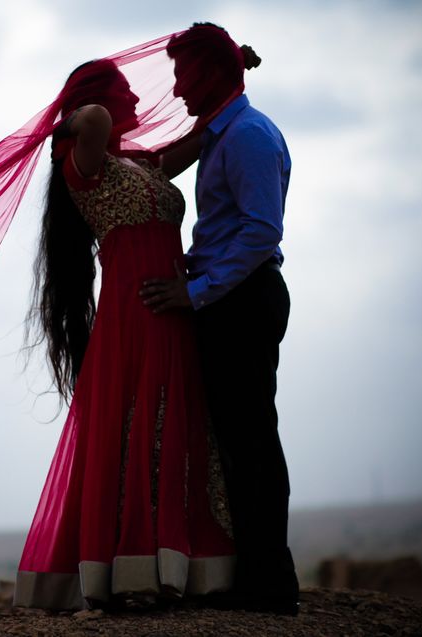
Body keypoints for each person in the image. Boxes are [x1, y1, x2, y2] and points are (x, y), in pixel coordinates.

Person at [12, 59, 236, 611]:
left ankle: (182, 571)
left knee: (174, 428)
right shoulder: (82, 162)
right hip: (133, 318)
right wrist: (76, 111)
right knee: (139, 428)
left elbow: (202, 137)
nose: (138, 102)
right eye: (125, 92)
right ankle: (132, 575)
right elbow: (88, 121)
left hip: (176, 313)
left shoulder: (140, 163)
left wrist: (230, 78)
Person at [139, 22, 299, 615]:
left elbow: (261, 231)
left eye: (183, 72)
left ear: (208, 72)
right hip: (226, 301)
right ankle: (253, 576)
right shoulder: (220, 132)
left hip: (242, 302)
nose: (176, 89)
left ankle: (271, 585)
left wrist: (196, 290)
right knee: (235, 440)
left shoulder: (250, 135)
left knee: (251, 439)